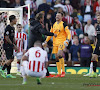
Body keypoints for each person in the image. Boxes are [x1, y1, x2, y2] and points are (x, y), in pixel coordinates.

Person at [43, 12, 71, 77]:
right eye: (56, 15)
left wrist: (67, 40)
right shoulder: (54, 24)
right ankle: (59, 73)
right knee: (56, 57)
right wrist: (46, 41)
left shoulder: (64, 24)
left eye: (58, 15)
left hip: (61, 42)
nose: (57, 16)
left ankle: (63, 71)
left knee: (59, 54)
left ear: (62, 17)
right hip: (55, 43)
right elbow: (50, 34)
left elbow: (68, 33)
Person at [88, 13, 100, 78]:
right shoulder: (97, 26)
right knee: (94, 57)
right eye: (97, 18)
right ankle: (94, 73)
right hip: (98, 45)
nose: (97, 19)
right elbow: (97, 37)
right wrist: (96, 45)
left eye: (99, 18)